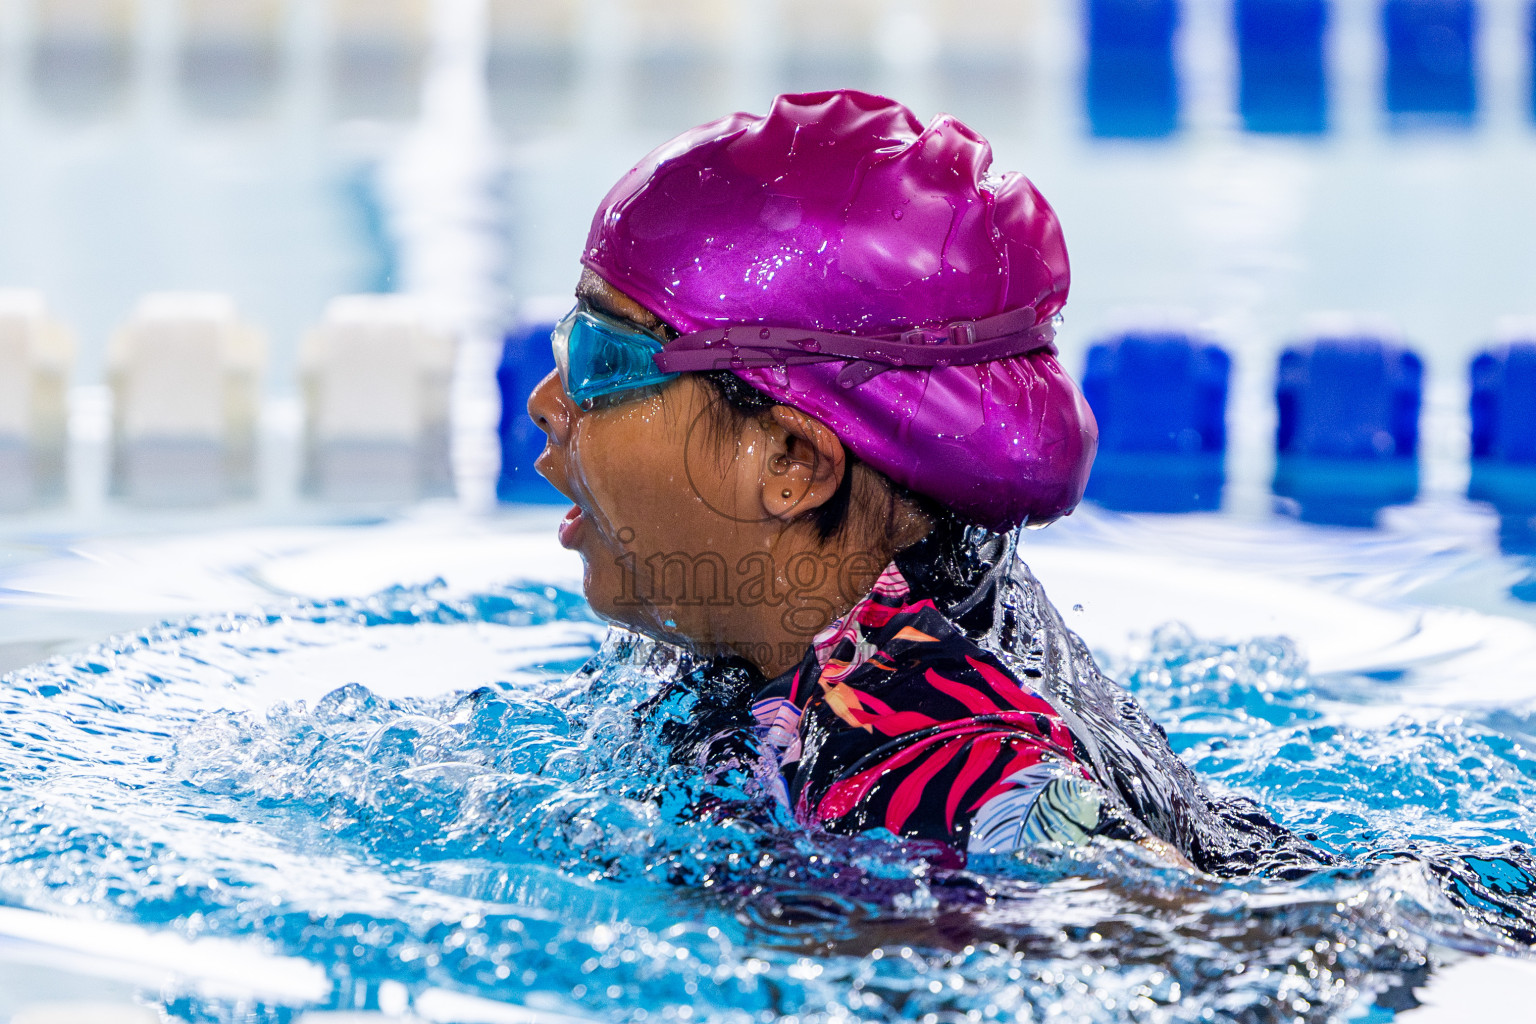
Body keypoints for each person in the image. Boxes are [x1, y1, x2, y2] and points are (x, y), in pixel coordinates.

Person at [528, 89, 1324, 876]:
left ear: (789, 462)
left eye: (600, 361)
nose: (544, 404)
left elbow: (1189, 941)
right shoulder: (837, 619)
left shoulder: (932, 754)